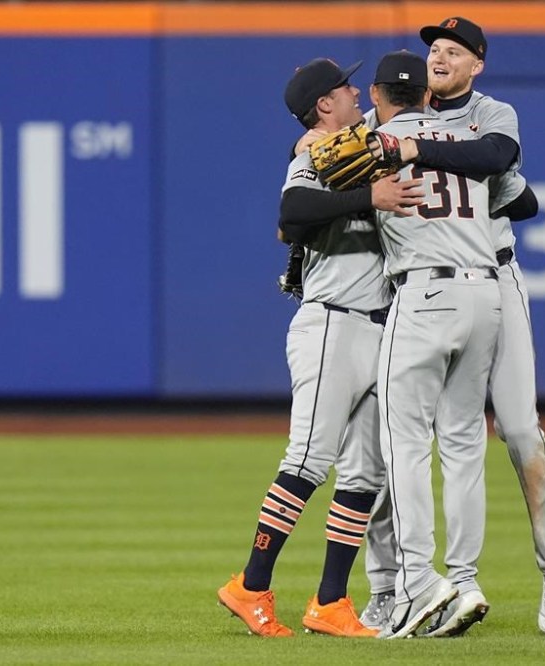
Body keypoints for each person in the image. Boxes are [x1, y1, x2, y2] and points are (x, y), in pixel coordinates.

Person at [359, 17, 545, 637]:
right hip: (458, 285)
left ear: (475, 64)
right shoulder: (398, 123)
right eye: (434, 49)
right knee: (453, 437)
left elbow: (502, 164)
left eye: (453, 51)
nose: (440, 57)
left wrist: (417, 151)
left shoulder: (491, 113)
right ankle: (450, 581)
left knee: (517, 431)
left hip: (495, 276)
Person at [215, 57, 422, 638]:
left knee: (364, 472)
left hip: (380, 327)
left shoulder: (359, 148)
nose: (356, 91)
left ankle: (331, 602)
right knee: (306, 460)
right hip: (332, 324)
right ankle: (250, 586)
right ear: (323, 106)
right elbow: (292, 212)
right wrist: (367, 197)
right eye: (344, 88)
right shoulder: (312, 153)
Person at [367, 49, 503, 639]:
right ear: (426, 94)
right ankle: (465, 580)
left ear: (377, 97)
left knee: (404, 446)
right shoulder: (461, 135)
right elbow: (515, 192)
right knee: (465, 446)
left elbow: (308, 191)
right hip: (484, 296)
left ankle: (419, 585)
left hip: (424, 295)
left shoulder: (374, 142)